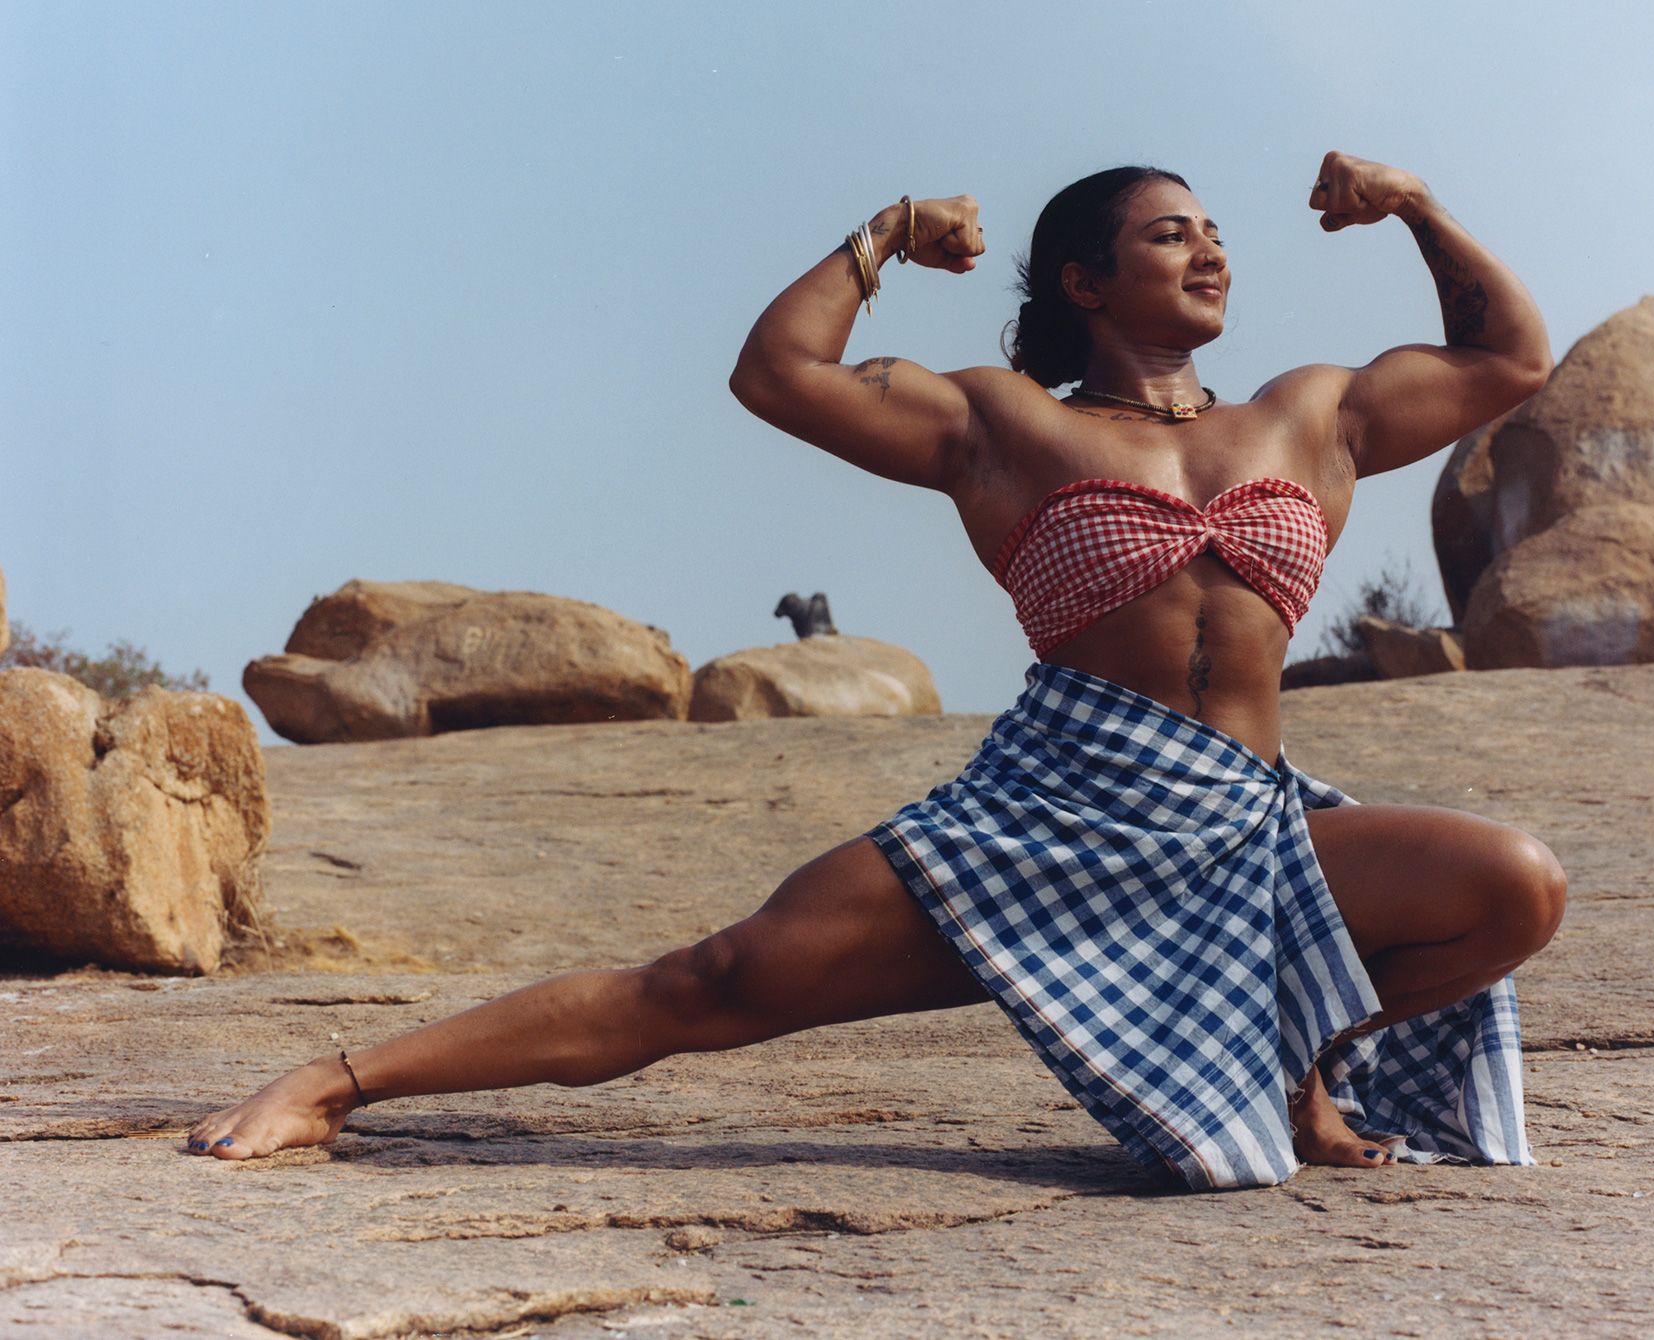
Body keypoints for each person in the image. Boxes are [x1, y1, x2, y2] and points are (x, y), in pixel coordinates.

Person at [186, 151, 1566, 1189]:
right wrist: (887, 235)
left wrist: (1413, 205)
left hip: (1243, 825)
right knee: (715, 981)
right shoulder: (1002, 421)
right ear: (1086, 282)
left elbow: (1509, 353)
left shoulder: (1312, 415)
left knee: (1513, 883)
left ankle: (1295, 1071)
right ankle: (335, 1081)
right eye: (1169, 235)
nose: (1209, 253)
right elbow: (779, 371)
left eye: (1214, 233)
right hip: (1054, 815)